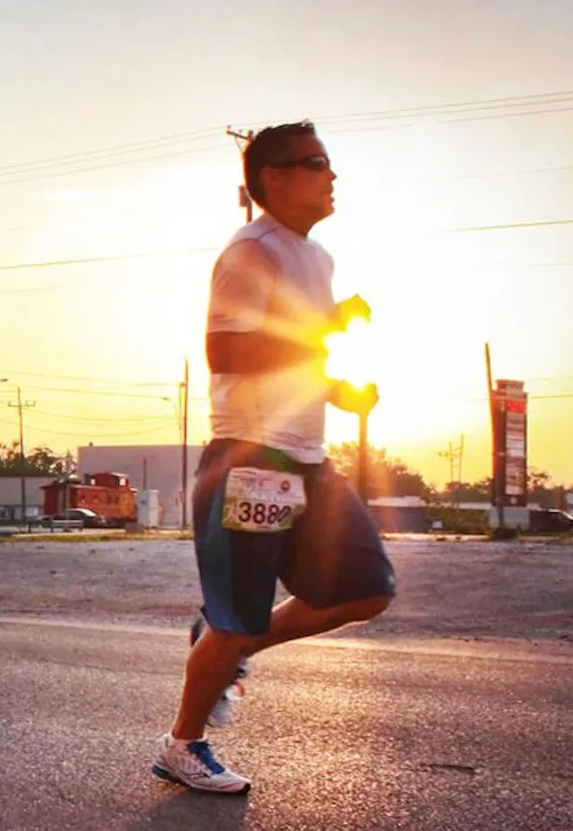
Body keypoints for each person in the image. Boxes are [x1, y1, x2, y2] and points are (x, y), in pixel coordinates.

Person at [153, 122, 394, 795]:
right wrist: (322, 334)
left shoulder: (317, 259)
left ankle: (225, 646)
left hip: (309, 458)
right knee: (238, 618)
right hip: (251, 462)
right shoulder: (250, 251)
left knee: (366, 591)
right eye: (316, 164)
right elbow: (226, 354)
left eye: (329, 164)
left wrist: (338, 388)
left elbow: (293, 356)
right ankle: (183, 744)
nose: (331, 176)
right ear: (273, 180)